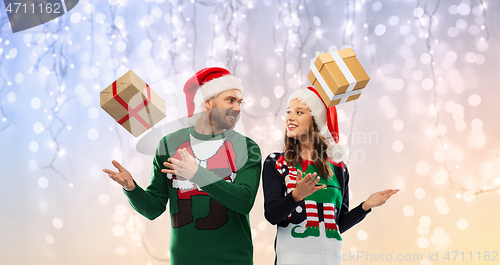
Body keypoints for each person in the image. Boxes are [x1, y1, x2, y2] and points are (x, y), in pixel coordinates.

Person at [103, 67, 262, 265]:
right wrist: (132, 189)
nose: (238, 108)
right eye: (230, 100)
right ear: (208, 101)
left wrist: (197, 174)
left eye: (239, 102)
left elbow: (244, 201)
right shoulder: (169, 144)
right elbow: (154, 208)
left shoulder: (246, 147)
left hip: (233, 260)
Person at [262, 87, 398, 265]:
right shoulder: (276, 163)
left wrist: (365, 206)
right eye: (289, 112)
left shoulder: (339, 168)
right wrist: (296, 195)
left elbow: (336, 226)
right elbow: (272, 216)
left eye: (299, 112)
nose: (290, 117)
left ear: (315, 121)